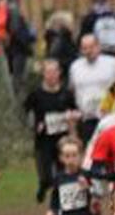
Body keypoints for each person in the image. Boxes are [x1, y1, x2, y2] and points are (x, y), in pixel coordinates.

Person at [24, 58, 77, 204]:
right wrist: (35, 126)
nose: (52, 75)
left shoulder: (66, 93)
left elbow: (75, 110)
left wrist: (73, 119)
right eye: (48, 72)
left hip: (62, 139)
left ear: (59, 73)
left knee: (62, 171)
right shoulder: (36, 94)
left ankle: (58, 200)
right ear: (43, 74)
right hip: (43, 139)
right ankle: (43, 185)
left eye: (54, 71)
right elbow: (26, 113)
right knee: (46, 174)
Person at [69, 34, 115, 142]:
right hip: (86, 118)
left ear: (98, 46)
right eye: (84, 48)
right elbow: (72, 90)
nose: (88, 51)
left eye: (91, 47)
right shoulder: (75, 66)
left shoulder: (112, 63)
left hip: (109, 116)